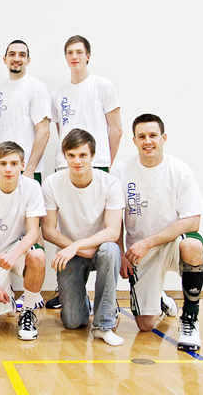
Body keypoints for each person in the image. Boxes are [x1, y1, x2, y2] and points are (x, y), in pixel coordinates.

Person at [112, 114, 203, 352]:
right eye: (142, 136)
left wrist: (150, 242)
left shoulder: (180, 171)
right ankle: (162, 300)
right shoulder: (120, 171)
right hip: (139, 253)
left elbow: (193, 221)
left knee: (193, 246)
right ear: (134, 140)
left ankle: (190, 318)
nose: (148, 141)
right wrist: (122, 253)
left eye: (153, 135)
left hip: (171, 244)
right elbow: (114, 219)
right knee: (145, 325)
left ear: (164, 138)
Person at [46, 35, 123, 310]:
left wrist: (106, 164)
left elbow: (116, 129)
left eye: (79, 52)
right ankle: (70, 291)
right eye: (70, 52)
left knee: (103, 235)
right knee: (68, 226)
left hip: (96, 162)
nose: (74, 57)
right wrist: (68, 158)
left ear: (88, 55)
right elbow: (61, 133)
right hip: (65, 164)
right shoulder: (58, 93)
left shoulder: (102, 85)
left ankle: (107, 300)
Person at [42, 129, 125, 346]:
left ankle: (104, 324)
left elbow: (113, 231)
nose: (77, 161)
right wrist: (75, 248)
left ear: (92, 156)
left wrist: (79, 245)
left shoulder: (111, 183)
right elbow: (48, 230)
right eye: (71, 155)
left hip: (99, 249)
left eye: (82, 155)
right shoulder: (52, 183)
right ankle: (83, 304)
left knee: (111, 249)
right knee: (72, 322)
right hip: (72, 253)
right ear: (64, 156)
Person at [0, 142, 46, 340]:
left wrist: (13, 255)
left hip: (17, 249)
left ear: (22, 165)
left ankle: (27, 312)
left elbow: (33, 233)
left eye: (14, 164)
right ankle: (6, 294)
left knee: (38, 256)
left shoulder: (32, 187)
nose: (8, 169)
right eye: (3, 164)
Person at [0, 40, 51, 182]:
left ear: (28, 60)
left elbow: (44, 131)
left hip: (25, 170)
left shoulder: (37, 88)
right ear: (5, 59)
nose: (16, 58)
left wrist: (30, 169)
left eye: (22, 55)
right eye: (12, 54)